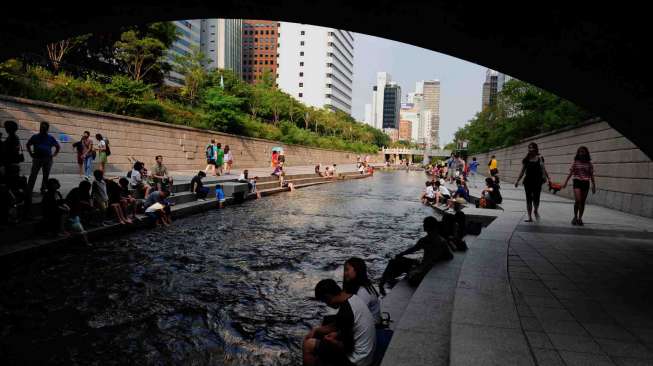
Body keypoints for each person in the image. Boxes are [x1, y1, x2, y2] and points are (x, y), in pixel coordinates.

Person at [303, 279, 376, 366]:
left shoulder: (345, 313)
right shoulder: (353, 298)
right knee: (327, 321)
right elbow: (342, 325)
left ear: (328, 297)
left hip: (357, 360)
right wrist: (317, 330)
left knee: (308, 345)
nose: (327, 304)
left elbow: (347, 348)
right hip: (368, 352)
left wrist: (332, 341)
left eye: (325, 301)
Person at [380, 217, 453, 291]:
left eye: (424, 224)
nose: (423, 225)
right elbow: (449, 256)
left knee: (393, 262)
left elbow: (413, 249)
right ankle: (386, 281)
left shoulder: (425, 240)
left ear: (428, 226)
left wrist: (399, 255)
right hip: (427, 267)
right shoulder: (441, 240)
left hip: (422, 269)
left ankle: (382, 284)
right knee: (399, 262)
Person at [514, 142, 550, 222]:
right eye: (529, 148)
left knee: (536, 198)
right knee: (529, 198)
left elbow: (543, 169)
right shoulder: (526, 159)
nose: (530, 149)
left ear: (536, 149)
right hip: (528, 181)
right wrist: (517, 180)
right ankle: (530, 217)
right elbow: (522, 171)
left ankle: (536, 210)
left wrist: (547, 178)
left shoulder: (540, 158)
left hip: (538, 181)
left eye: (532, 147)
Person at [562, 146, 596, 226]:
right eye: (580, 152)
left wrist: (594, 185)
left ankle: (580, 218)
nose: (581, 153)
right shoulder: (575, 162)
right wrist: (565, 182)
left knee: (583, 202)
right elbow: (570, 173)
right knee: (578, 200)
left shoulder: (589, 164)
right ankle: (575, 217)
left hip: (585, 182)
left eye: (583, 152)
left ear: (586, 153)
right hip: (577, 181)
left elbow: (591, 175)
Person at [343, 257, 382, 325]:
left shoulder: (362, 292)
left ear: (357, 270)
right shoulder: (362, 286)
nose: (345, 273)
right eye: (344, 270)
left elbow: (356, 317)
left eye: (347, 270)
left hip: (372, 326)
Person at [26, 122, 60, 194]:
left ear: (47, 129)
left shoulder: (50, 138)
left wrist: (54, 155)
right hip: (37, 159)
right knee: (33, 174)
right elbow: (28, 144)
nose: (42, 129)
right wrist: (31, 153)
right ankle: (29, 189)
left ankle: (43, 189)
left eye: (44, 128)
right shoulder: (35, 137)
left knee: (46, 175)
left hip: (47, 159)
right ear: (40, 128)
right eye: (42, 128)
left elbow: (58, 146)